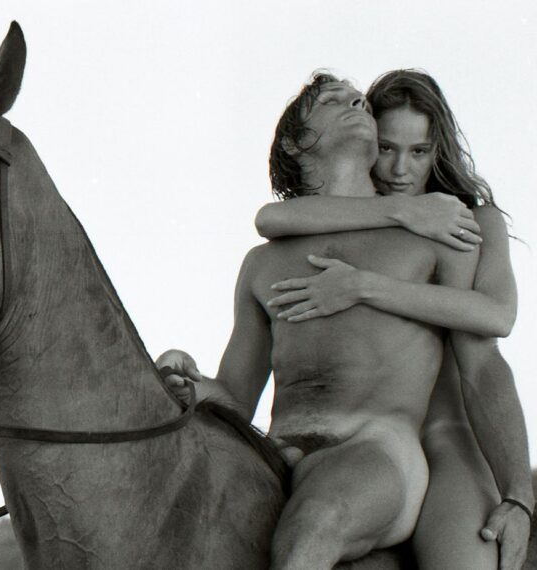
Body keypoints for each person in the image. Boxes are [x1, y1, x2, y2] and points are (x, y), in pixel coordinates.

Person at [158, 73, 533, 569]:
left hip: (385, 448)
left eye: (360, 100)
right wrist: (184, 384)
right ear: (294, 141)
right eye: (337, 100)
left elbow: (484, 357)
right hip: (279, 450)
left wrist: (519, 495)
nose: (356, 102)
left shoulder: (445, 230)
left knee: (317, 522)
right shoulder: (261, 263)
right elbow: (235, 399)